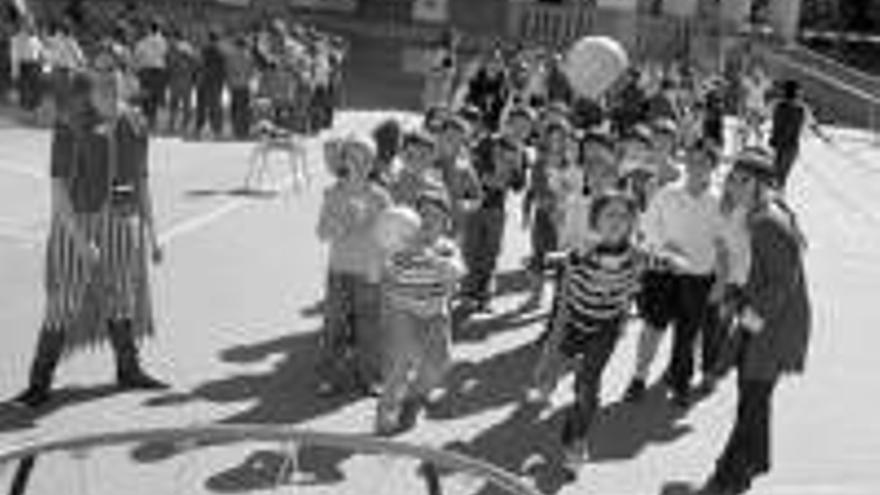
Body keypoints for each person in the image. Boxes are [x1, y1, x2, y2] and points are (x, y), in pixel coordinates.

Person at [11, 59, 167, 409]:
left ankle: (129, 370)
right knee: (63, 301)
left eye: (115, 86)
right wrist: (80, 241)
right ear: (91, 90)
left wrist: (153, 234)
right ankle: (38, 384)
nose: (110, 94)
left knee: (122, 295)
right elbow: (58, 189)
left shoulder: (136, 122)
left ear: (124, 85)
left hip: (121, 219)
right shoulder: (70, 124)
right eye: (102, 88)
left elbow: (142, 181)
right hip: (77, 220)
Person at [541, 191, 682, 476]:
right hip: (574, 323)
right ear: (596, 221)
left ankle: (577, 443)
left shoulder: (636, 255)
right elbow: (565, 259)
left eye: (623, 216)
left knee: (588, 387)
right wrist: (549, 260)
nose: (616, 221)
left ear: (632, 223)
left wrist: (672, 261)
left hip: (604, 329)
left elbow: (657, 260)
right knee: (556, 374)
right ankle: (556, 382)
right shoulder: (586, 250)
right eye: (609, 215)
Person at [700, 149, 811, 495]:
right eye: (732, 178)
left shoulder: (766, 221)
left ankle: (730, 477)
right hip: (764, 316)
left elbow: (781, 283)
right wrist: (735, 294)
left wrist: (747, 319)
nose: (735, 185)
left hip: (773, 325)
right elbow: (757, 273)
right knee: (753, 397)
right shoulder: (753, 214)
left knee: (753, 397)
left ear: (763, 183)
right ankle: (744, 468)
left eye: (744, 179)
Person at [624, 138, 727, 406]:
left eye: (703, 162)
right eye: (691, 160)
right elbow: (648, 228)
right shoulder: (667, 193)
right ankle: (638, 377)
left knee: (687, 333)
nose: (696, 167)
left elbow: (723, 243)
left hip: (699, 277)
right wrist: (662, 247)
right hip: (663, 271)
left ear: (713, 167)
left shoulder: (719, 202)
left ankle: (681, 384)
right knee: (652, 328)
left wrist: (721, 280)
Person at [375, 190, 465, 435]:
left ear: (446, 223)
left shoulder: (446, 248)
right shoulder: (400, 249)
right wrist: (391, 255)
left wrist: (435, 259)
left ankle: (414, 397)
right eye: (422, 215)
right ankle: (386, 413)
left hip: (436, 314)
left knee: (441, 363)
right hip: (405, 314)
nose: (428, 221)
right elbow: (384, 275)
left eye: (436, 216)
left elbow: (456, 272)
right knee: (399, 368)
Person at [315, 137, 392, 397]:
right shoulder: (334, 193)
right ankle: (330, 376)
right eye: (353, 158)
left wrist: (373, 227)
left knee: (369, 327)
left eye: (365, 159)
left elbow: (389, 235)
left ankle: (370, 377)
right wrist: (343, 223)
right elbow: (322, 233)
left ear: (373, 165)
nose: (359, 164)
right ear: (344, 162)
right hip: (339, 270)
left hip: (370, 271)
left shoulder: (380, 197)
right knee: (334, 325)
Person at [460, 135, 526, 312]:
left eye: (508, 155)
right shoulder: (480, 163)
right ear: (493, 150)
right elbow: (479, 181)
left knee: (491, 252)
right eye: (499, 152)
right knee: (471, 250)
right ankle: (468, 291)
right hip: (474, 211)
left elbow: (519, 186)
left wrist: (515, 166)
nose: (503, 157)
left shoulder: (511, 167)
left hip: (496, 212)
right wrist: (494, 175)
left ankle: (484, 295)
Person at [768, 80, 826, 190]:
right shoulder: (800, 108)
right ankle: (777, 190)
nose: (801, 94)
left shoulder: (778, 104)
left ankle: (777, 189)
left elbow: (812, 124)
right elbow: (812, 125)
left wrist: (821, 135)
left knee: (778, 169)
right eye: (799, 91)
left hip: (779, 142)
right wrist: (821, 136)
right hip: (787, 144)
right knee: (781, 169)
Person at [133, 20, 169, 131]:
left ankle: (145, 123)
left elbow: (137, 55)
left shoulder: (142, 42)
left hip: (146, 71)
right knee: (156, 98)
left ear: (149, 29)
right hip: (159, 72)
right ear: (158, 29)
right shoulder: (163, 42)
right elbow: (165, 54)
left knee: (145, 98)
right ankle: (154, 123)